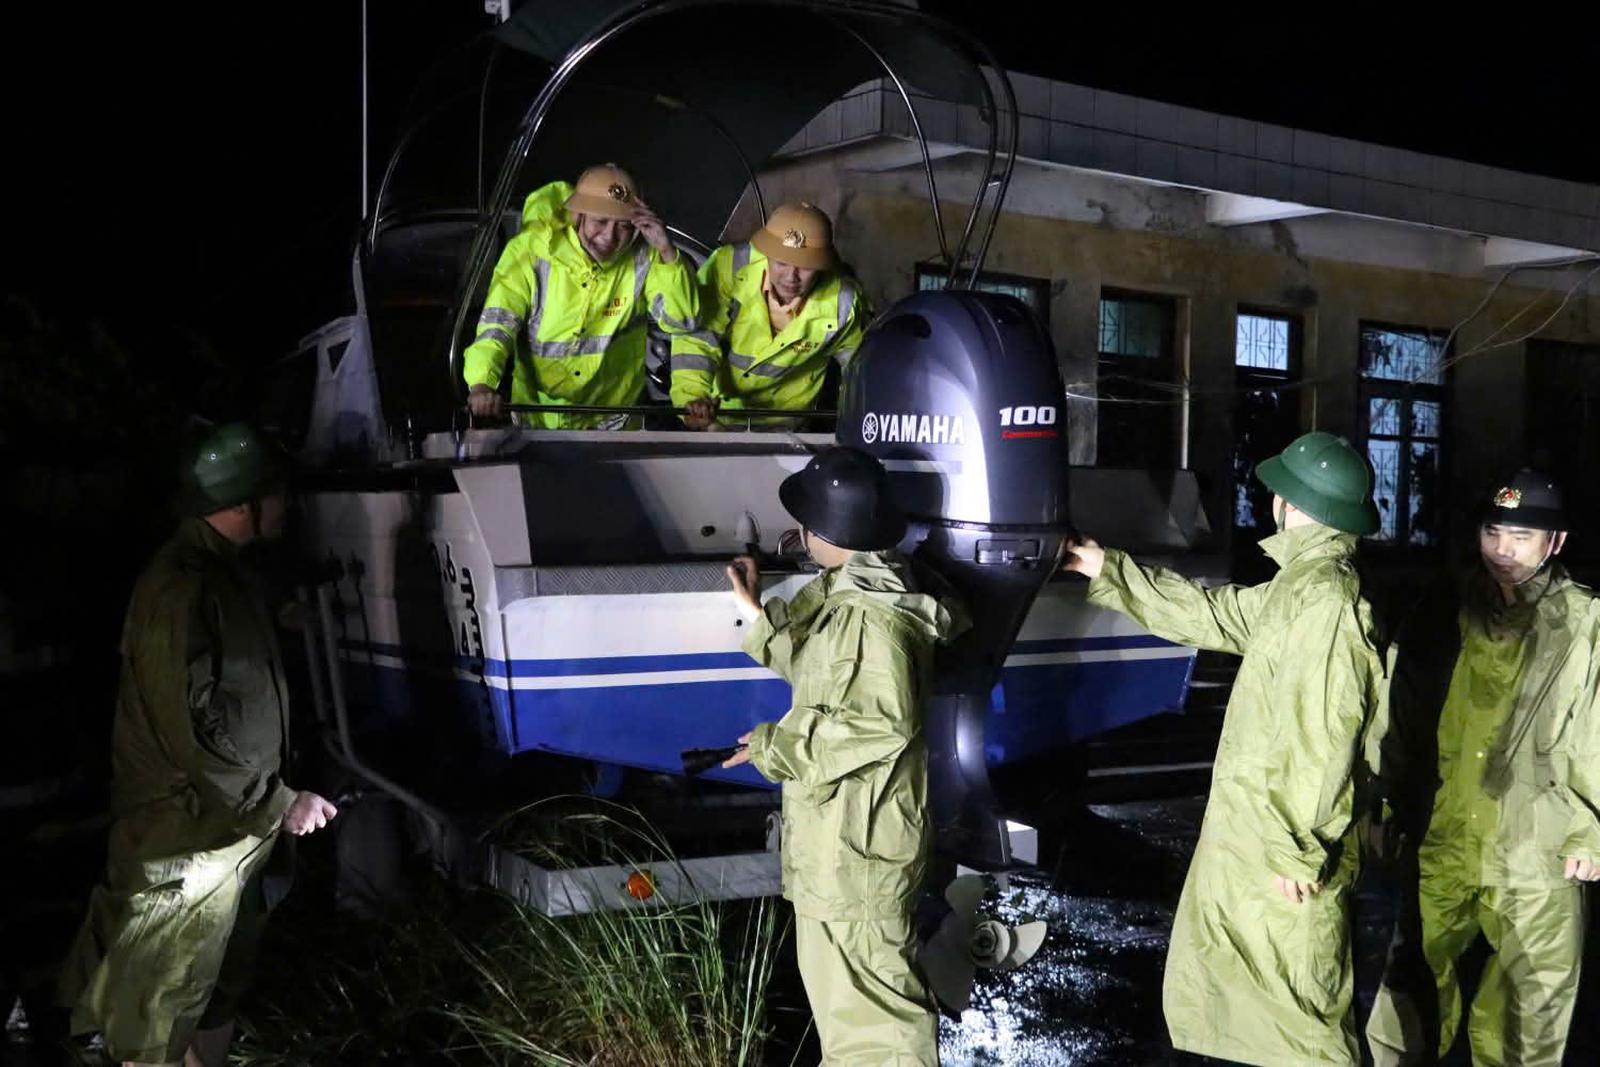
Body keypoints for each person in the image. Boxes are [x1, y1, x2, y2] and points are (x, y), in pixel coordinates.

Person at [1062, 431, 1385, 1066]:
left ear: (1290, 504)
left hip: (1282, 851)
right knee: (1254, 1018)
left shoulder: (1324, 600)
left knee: (1299, 1027)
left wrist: (1297, 849)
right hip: (1260, 841)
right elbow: (1213, 614)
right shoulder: (1302, 587)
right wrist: (1110, 570)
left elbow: (1324, 734)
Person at [60, 424, 339, 1067]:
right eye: (277, 494)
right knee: (155, 1012)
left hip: (230, 832)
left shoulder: (225, 572)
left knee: (215, 992)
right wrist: (277, 802)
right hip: (184, 839)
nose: (288, 505)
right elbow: (189, 724)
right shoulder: (181, 588)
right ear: (242, 505)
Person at [722, 446, 963, 1064]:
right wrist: (757, 616)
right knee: (852, 1032)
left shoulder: (873, 619)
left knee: (879, 1039)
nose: (800, 534)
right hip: (842, 853)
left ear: (826, 531)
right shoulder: (855, 598)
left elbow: (879, 723)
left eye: (806, 522)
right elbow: (827, 683)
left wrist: (776, 746)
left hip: (857, 857)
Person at [1366, 469, 1600, 1067]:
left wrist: (1590, 828)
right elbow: (1398, 711)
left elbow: (1595, 727)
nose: (1503, 549)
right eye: (1493, 532)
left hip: (1537, 844)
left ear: (1555, 542)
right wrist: (1384, 800)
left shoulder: (1583, 622)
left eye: (1522, 537)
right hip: (1443, 833)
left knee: (1530, 1010)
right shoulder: (1440, 609)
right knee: (1408, 995)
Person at [464, 163, 702, 429]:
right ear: (578, 215)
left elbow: (683, 322)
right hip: (539, 419)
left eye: (623, 226)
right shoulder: (531, 250)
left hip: (616, 423)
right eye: (600, 222)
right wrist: (482, 383)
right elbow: (498, 325)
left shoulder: (646, 257)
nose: (609, 236)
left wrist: (667, 252)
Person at [672, 202, 867, 430]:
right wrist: (693, 398)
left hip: (788, 427)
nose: (791, 277)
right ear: (766, 253)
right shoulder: (729, 267)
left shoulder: (843, 301)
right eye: (781, 262)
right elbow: (697, 339)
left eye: (805, 267)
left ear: (823, 265)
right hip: (720, 417)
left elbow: (860, 369)